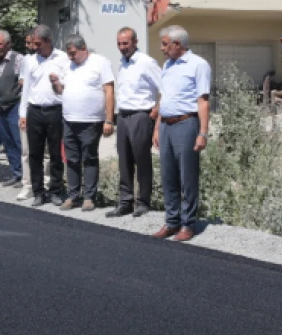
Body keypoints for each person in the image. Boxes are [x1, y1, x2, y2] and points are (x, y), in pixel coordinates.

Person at [152, 25, 211, 243]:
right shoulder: (168, 65)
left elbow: (203, 101)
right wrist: (157, 127)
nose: (162, 49)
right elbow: (164, 98)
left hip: (186, 124)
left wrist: (203, 133)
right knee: (168, 176)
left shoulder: (198, 65)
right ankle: (171, 221)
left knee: (187, 176)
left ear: (177, 44)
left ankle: (188, 223)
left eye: (165, 44)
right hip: (166, 125)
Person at [49, 34, 114, 212]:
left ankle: (89, 197)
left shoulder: (100, 62)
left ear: (84, 48)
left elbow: (109, 91)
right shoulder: (68, 66)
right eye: (68, 53)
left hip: (91, 121)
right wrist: (55, 83)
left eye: (73, 53)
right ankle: (72, 196)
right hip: (69, 119)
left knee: (89, 158)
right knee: (71, 159)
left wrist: (109, 119)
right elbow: (62, 90)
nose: (70, 57)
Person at [107, 26, 161, 219]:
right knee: (124, 160)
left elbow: (164, 87)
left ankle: (144, 201)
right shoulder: (123, 62)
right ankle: (125, 202)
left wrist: (157, 108)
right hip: (123, 116)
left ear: (135, 42)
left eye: (125, 43)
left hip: (140, 115)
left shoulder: (146, 63)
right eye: (119, 44)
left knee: (142, 160)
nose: (122, 47)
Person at [18, 24, 69, 207]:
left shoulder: (62, 58)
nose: (34, 47)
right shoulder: (29, 61)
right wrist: (23, 114)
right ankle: (38, 192)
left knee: (55, 153)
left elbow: (67, 85)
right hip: (35, 111)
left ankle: (55, 191)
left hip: (55, 110)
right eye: (33, 43)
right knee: (35, 154)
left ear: (48, 41)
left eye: (38, 43)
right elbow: (26, 90)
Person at [0, 32, 25, 186]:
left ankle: (26, 177)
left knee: (18, 141)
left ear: (8, 44)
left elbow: (23, 83)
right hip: (2, 107)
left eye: (0, 44)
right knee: (8, 142)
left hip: (15, 106)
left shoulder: (18, 59)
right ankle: (16, 174)